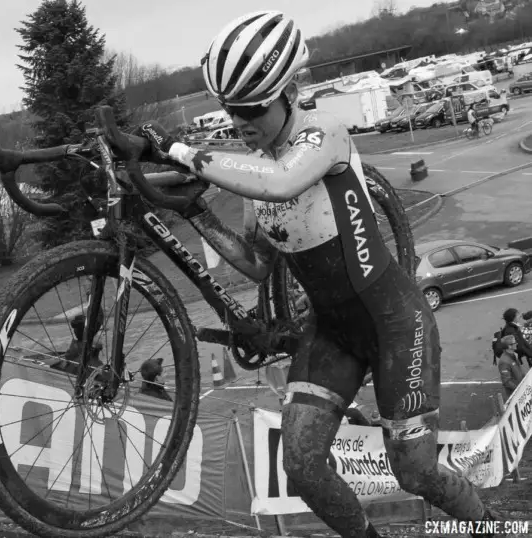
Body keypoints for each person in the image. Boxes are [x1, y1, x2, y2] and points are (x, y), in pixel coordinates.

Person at [111, 10, 514, 537]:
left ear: (290, 91)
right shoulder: (258, 173)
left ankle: (492, 528)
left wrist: (179, 150)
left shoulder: (324, 133)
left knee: (414, 471)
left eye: (253, 107)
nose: (242, 122)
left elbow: (282, 181)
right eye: (233, 110)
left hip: (394, 323)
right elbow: (257, 266)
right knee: (301, 463)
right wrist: (199, 214)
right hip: (331, 331)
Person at [497, 336, 525, 402]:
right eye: (514, 342)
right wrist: (519, 390)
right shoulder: (504, 362)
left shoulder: (514, 354)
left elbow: (519, 370)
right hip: (515, 395)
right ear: (509, 346)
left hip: (522, 390)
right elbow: (506, 382)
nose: (516, 343)